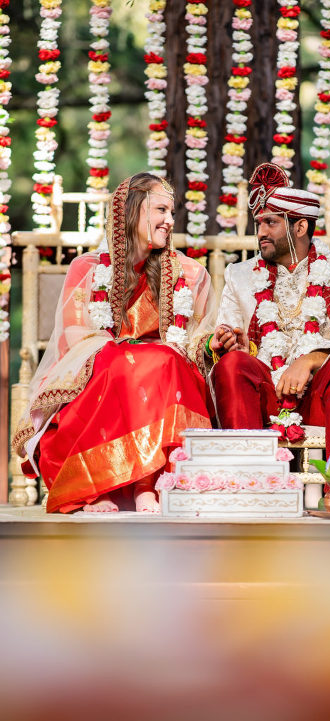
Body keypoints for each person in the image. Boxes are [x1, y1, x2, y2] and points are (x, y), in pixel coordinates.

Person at [13, 172, 217, 513]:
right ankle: (98, 486)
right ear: (133, 211)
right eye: (161, 211)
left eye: (172, 213)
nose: (170, 221)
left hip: (166, 373)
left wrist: (214, 342)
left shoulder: (190, 273)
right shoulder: (88, 268)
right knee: (121, 363)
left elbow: (196, 339)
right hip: (102, 371)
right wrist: (128, 354)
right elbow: (74, 336)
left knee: (164, 359)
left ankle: (146, 484)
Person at [210, 162, 330, 514]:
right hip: (264, 396)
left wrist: (311, 359)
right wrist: (229, 342)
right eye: (259, 224)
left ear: (300, 226)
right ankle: (252, 489)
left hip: (320, 397)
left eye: (271, 222)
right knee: (233, 364)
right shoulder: (240, 276)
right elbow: (228, 334)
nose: (261, 232)